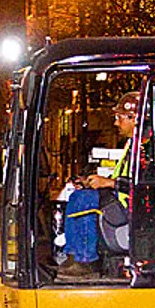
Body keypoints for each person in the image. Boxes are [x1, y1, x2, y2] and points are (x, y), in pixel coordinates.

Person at [58, 91, 140, 279]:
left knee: (85, 201)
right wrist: (92, 181)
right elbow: (124, 175)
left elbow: (144, 183)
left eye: (120, 118)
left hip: (133, 207)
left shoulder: (147, 148)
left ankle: (86, 260)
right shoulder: (132, 144)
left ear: (134, 118)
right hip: (122, 198)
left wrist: (108, 183)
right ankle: (72, 254)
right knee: (78, 195)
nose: (116, 123)